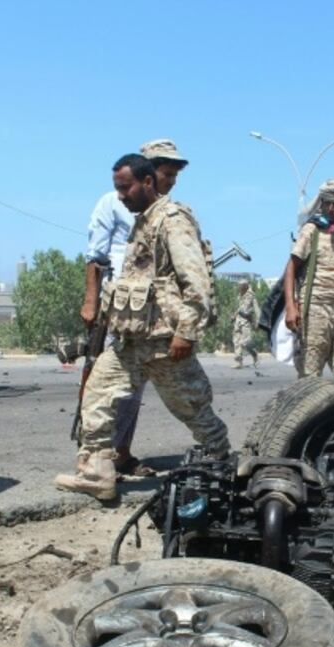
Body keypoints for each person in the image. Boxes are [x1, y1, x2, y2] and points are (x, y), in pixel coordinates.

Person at [55, 154, 229, 501]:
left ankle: (224, 462)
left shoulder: (172, 220)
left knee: (192, 407)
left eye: (125, 188)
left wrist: (186, 332)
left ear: (147, 182)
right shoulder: (143, 220)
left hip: (165, 340)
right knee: (97, 396)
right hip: (131, 339)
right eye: (117, 188)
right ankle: (97, 473)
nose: (120, 196)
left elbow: (195, 281)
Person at [80, 139, 190, 474]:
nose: (170, 180)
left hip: (154, 313)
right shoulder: (113, 203)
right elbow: (96, 257)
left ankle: (121, 451)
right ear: (147, 172)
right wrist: (91, 301)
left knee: (135, 385)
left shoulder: (168, 212)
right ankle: (98, 454)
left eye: (174, 174)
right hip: (119, 308)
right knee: (107, 382)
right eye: (164, 172)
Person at [282, 180, 334, 379]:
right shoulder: (312, 230)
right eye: (327, 202)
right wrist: (291, 307)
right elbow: (291, 268)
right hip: (315, 310)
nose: (330, 207)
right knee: (309, 377)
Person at [232, 281, 259, 368]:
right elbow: (239, 308)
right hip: (238, 321)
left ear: (246, 286)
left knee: (245, 343)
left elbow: (256, 308)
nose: (240, 288)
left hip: (246, 321)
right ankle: (238, 362)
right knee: (236, 342)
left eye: (241, 286)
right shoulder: (239, 296)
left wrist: (258, 320)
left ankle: (255, 355)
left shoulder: (251, 296)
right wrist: (233, 316)